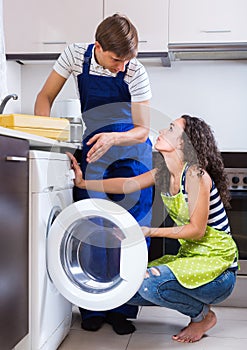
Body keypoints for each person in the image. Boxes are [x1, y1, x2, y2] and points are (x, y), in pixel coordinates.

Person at [67, 114, 239, 343]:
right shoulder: (164, 172)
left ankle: (203, 317)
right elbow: (128, 184)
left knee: (148, 283)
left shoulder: (196, 176)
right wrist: (83, 183)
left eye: (170, 129)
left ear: (184, 142)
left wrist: (149, 231)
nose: (162, 130)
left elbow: (196, 231)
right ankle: (196, 306)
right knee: (125, 289)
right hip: (192, 259)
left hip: (219, 268)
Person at [34, 14, 153, 335]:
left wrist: (116, 137)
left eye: (128, 60)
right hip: (95, 151)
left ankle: (122, 309)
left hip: (131, 153)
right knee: (90, 226)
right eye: (116, 59)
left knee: (126, 233)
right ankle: (91, 307)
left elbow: (142, 130)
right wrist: (47, 139)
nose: (121, 67)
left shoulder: (135, 70)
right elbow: (45, 98)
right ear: (98, 47)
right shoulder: (75, 56)